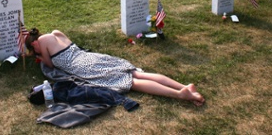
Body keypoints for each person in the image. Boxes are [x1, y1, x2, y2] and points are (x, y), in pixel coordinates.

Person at [25, 28, 205, 106]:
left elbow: (49, 64)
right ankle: (184, 87)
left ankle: (180, 94)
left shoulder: (42, 42)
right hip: (90, 57)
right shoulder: (57, 33)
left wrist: (40, 55)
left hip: (83, 66)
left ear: (33, 44)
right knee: (135, 73)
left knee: (131, 82)